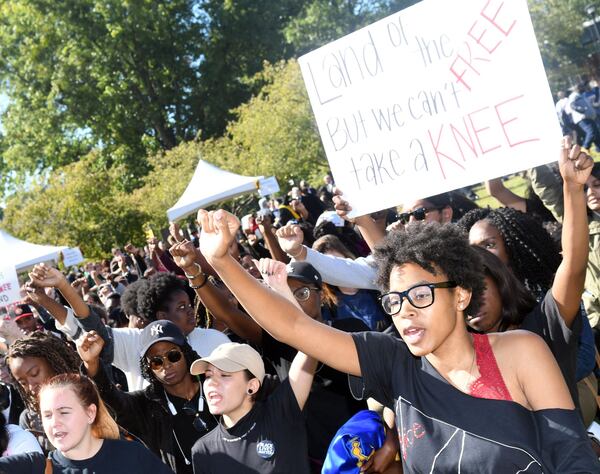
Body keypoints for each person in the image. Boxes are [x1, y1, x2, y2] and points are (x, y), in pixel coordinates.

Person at [195, 206, 599, 472]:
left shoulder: (519, 351)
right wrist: (221, 261)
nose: (405, 311)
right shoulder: (395, 362)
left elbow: (572, 455)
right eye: (394, 300)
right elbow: (295, 327)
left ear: (460, 294)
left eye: (421, 296)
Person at [77, 320, 218, 473]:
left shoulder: (215, 385)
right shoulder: (145, 406)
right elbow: (112, 400)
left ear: (186, 352)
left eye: (173, 355)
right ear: (148, 368)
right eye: (156, 362)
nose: (166, 365)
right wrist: (91, 363)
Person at [0, 373, 172, 474]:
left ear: (90, 413)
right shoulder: (33, 467)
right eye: (47, 415)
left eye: (64, 412)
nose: (54, 423)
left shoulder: (132, 456)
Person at [190, 342, 317, 474]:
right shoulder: (203, 450)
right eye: (208, 375)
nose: (212, 382)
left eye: (224, 375)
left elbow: (310, 343)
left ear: (252, 386)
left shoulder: (281, 412)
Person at [6, 332, 81, 453]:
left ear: (54, 364)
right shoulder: (28, 419)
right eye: (23, 383)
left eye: (35, 374)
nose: (31, 386)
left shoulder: (86, 397)